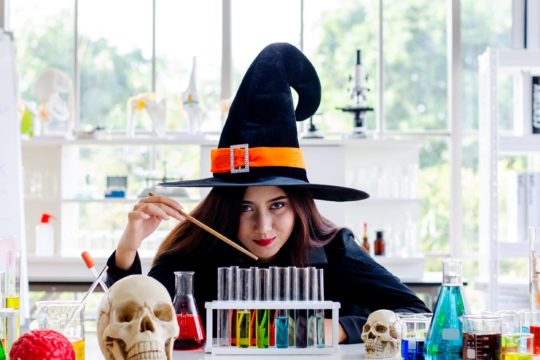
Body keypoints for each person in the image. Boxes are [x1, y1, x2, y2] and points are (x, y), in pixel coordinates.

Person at [105, 43, 430, 344]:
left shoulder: (332, 249)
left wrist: (341, 328)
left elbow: (418, 317)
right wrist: (128, 247)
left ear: (299, 206)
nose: (263, 226)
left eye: (277, 205)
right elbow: (134, 324)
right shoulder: (195, 250)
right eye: (246, 208)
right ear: (224, 208)